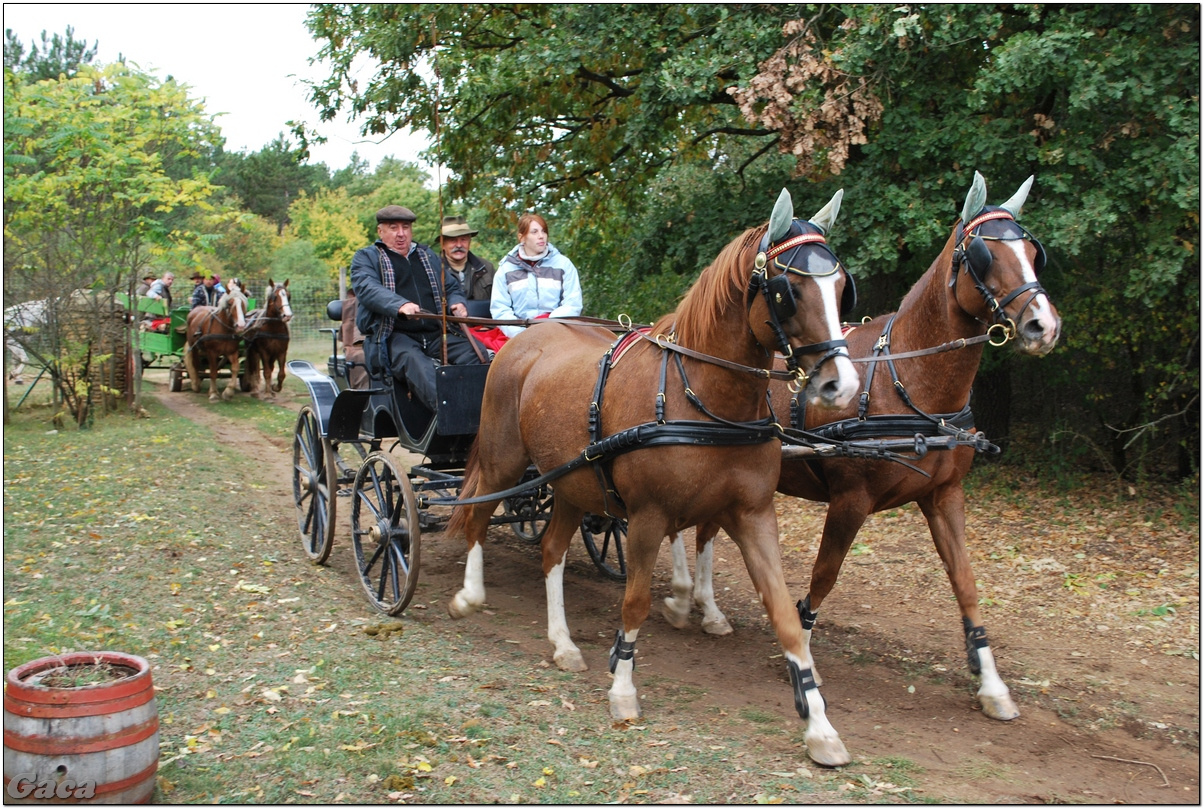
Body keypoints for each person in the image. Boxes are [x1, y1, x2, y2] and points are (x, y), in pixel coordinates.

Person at [350, 204, 486, 412]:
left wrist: (457, 302)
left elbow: (450, 286)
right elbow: (367, 288)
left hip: (435, 334)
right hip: (393, 337)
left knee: (477, 354)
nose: (401, 234)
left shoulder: (427, 256)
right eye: (394, 228)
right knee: (417, 364)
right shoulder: (366, 257)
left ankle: (482, 412)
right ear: (381, 231)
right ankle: (451, 414)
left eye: (405, 227)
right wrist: (400, 305)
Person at [491, 213, 583, 340]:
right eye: (534, 232)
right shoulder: (505, 270)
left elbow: (573, 303)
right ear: (521, 237)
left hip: (556, 331)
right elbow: (500, 309)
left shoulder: (564, 265)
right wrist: (519, 334)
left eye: (543, 231)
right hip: (517, 335)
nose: (541, 236)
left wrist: (549, 324)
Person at [438, 215, 495, 302]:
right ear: (443, 244)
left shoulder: (487, 268)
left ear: (469, 242)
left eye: (463, 239)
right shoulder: (434, 270)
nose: (459, 245)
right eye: (453, 240)